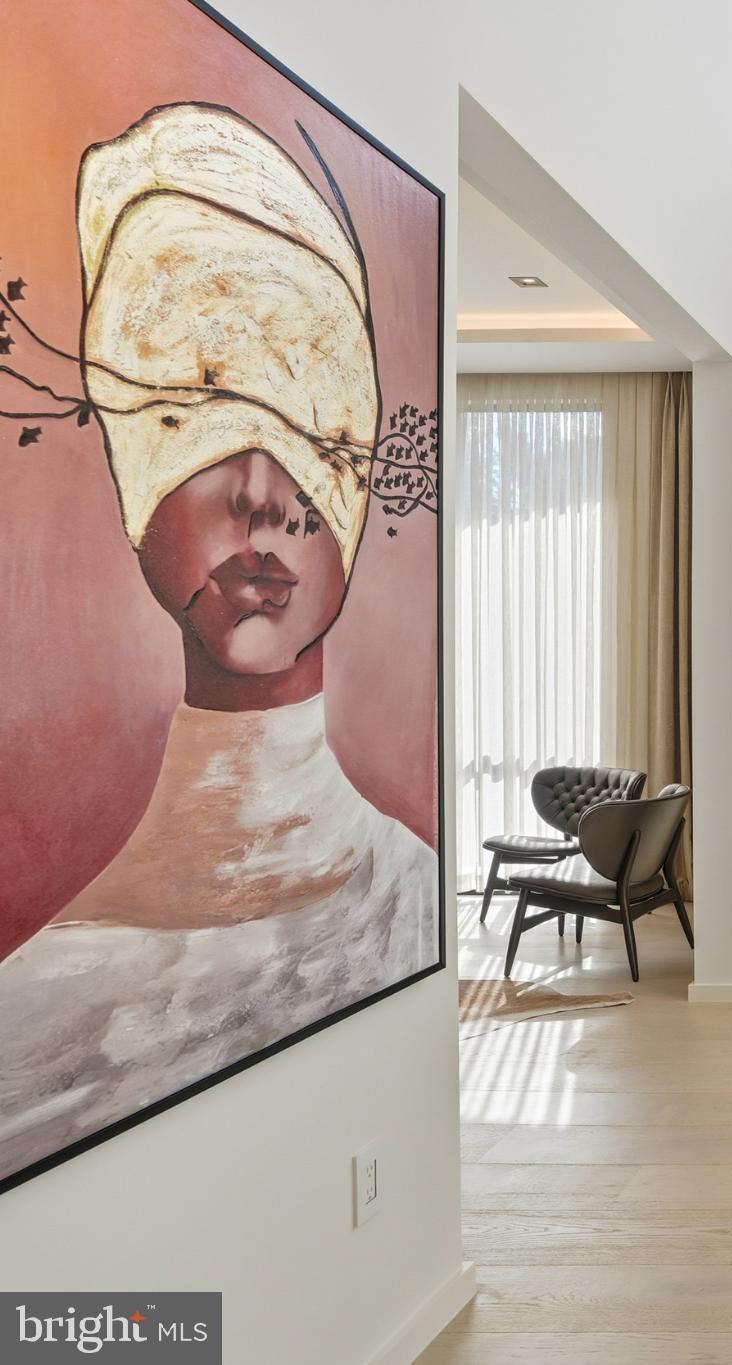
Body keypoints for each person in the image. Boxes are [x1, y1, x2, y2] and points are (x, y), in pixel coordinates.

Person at [0, 104, 434, 1182]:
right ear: (126, 485)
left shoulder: (418, 903)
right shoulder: (31, 1013)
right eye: (191, 404)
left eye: (314, 422)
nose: (262, 491)